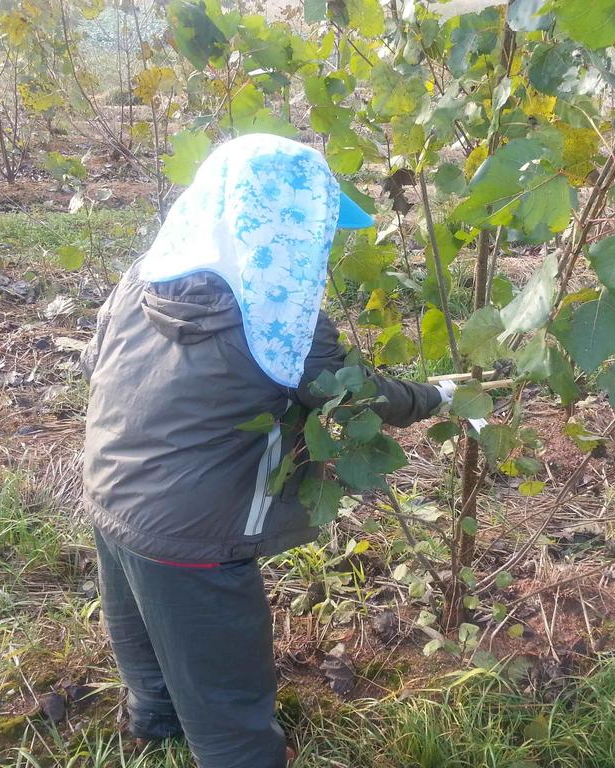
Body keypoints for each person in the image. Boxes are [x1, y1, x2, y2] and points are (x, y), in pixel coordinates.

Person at [80, 134, 455, 768]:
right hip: (191, 527)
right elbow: (354, 397)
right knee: (225, 685)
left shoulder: (148, 276)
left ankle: (155, 722)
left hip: (111, 489)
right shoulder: (279, 320)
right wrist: (435, 396)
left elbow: (97, 362)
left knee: (145, 630)